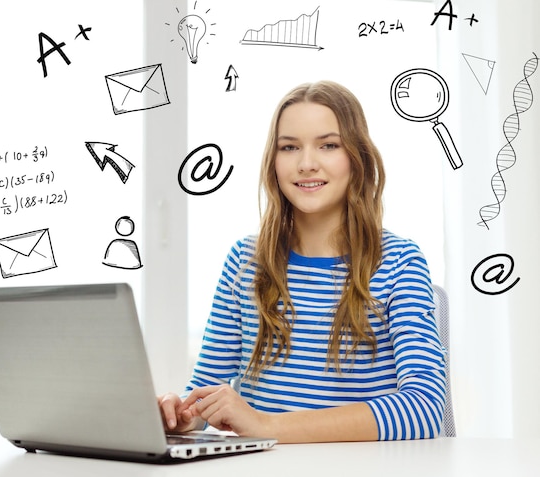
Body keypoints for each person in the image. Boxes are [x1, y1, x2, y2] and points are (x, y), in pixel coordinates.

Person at [158, 81, 446, 443]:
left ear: (357, 158)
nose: (307, 164)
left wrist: (267, 427)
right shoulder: (245, 261)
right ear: (273, 162)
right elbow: (205, 391)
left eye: (328, 145)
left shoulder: (400, 262)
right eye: (289, 147)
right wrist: (184, 414)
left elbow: (424, 409)